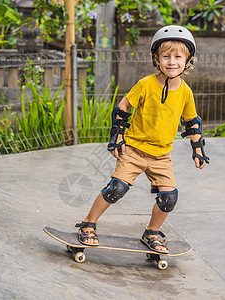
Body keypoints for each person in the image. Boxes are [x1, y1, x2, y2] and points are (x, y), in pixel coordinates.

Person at [76, 25, 209, 254]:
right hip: (134, 150)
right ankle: (88, 223)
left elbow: (192, 122)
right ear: (156, 59)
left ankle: (152, 232)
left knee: (169, 197)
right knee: (116, 189)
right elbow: (122, 108)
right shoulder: (146, 84)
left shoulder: (186, 92)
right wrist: (117, 137)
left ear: (188, 61)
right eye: (166, 56)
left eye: (178, 56)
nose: (172, 61)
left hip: (162, 155)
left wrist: (198, 150)